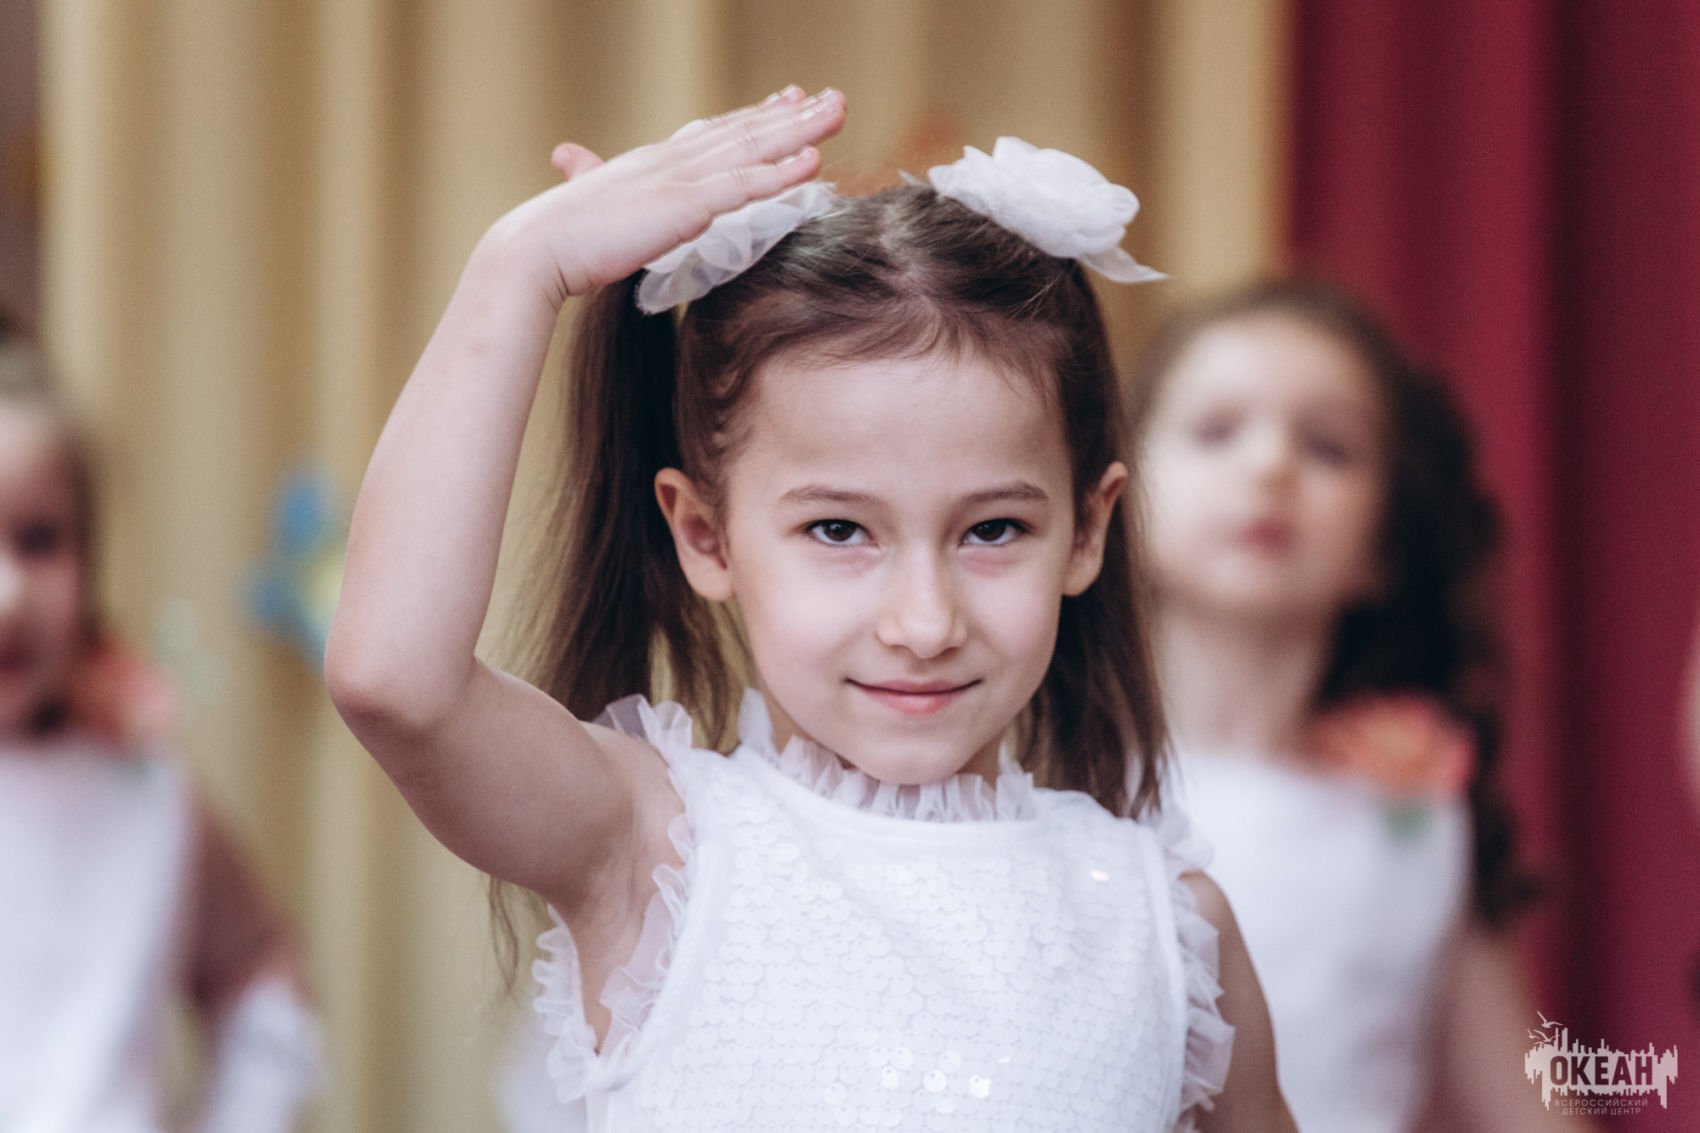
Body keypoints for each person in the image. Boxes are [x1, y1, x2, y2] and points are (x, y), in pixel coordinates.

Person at [326, 89, 1295, 1131]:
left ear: (1087, 531)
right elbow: (397, 682)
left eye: (991, 529)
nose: (924, 623)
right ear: (705, 534)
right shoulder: (652, 848)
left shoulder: (1167, 927)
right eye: (838, 530)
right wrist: (520, 265)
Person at [1132, 280, 1595, 1132]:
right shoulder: (1058, 783)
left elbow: (1526, 1106)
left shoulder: (1414, 816)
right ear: (1114, 505)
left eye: (1329, 447)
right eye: (1217, 430)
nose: (1269, 466)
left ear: (1384, 546)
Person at [0, 327, 321, 1132]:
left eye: (39, 540)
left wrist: (245, 1112)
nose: (8, 596)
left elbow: (259, 966)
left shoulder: (144, 787)